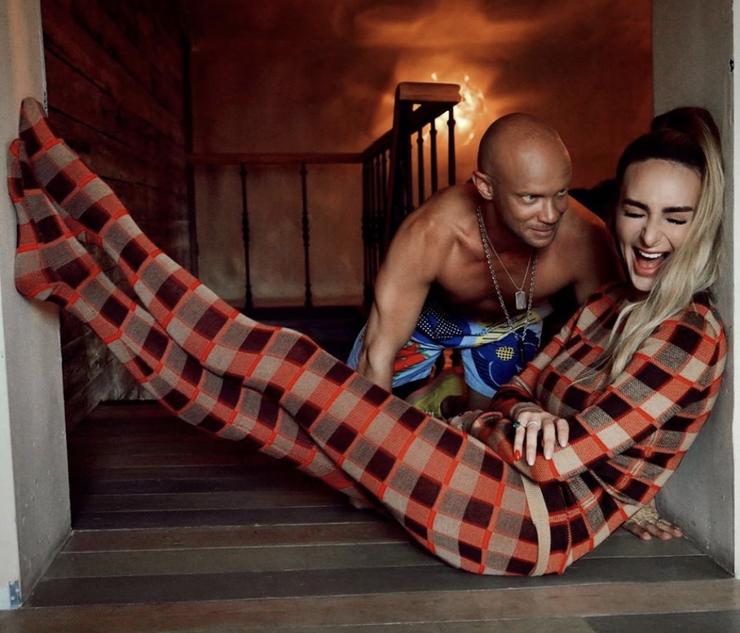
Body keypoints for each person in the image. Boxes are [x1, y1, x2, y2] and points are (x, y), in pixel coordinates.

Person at [9, 98, 725, 575]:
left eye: (676, 217)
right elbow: (518, 391)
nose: (648, 236)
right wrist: (510, 414)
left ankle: (79, 194)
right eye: (635, 210)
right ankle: (70, 279)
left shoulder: (691, 333)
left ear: (705, 223)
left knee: (288, 362)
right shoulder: (603, 307)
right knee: (258, 418)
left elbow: (558, 456)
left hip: (526, 521)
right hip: (480, 465)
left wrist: (485, 421)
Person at [348, 114, 620, 416]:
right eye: (530, 197)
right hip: (428, 321)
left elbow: (604, 350)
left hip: (513, 324)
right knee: (356, 403)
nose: (551, 215)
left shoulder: (585, 239)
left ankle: (450, 396)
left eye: (560, 193)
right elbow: (377, 355)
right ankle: (435, 389)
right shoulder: (432, 231)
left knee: (490, 426)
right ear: (486, 186)